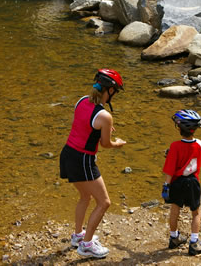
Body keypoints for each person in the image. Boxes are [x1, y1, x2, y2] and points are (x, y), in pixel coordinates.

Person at [59, 68, 126, 258]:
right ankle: (86, 244)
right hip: (83, 160)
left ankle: (78, 235)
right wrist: (117, 143)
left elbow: (82, 124)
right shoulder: (105, 116)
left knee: (85, 197)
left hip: (67, 154)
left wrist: (102, 128)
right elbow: (105, 144)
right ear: (110, 91)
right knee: (104, 202)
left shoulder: (81, 101)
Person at [162, 109, 201, 256]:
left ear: (180, 128)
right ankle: (194, 242)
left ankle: (174, 237)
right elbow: (191, 153)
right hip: (192, 182)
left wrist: (166, 186)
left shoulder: (174, 146)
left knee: (175, 209)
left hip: (177, 182)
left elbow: (169, 170)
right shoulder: (200, 144)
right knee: (196, 212)